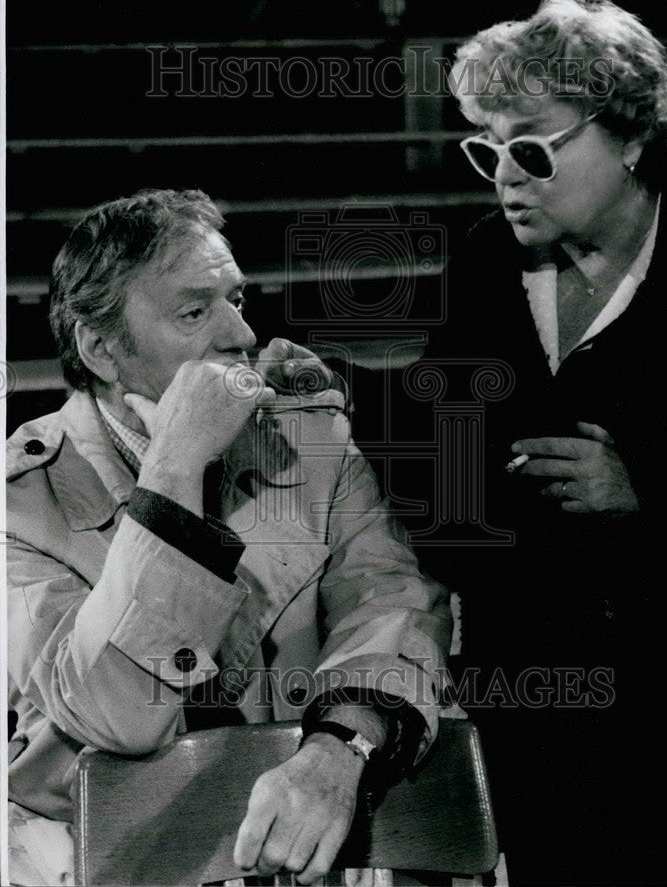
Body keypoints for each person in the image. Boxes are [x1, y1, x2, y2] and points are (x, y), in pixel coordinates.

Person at [344, 0, 667, 886]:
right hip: (529, 703)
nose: (504, 177)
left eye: (530, 148)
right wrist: (348, 404)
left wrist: (653, 497)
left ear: (630, 135)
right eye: (487, 147)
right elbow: (442, 471)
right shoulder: (485, 259)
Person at [5, 189, 452, 887]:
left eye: (235, 298)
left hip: (293, 844)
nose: (239, 334)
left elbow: (388, 601)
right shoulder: (21, 500)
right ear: (100, 348)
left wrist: (342, 745)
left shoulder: (307, 440)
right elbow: (117, 713)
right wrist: (174, 468)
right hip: (101, 856)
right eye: (194, 310)